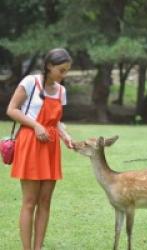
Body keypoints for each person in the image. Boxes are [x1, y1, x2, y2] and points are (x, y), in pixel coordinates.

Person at [6, 48, 74, 250]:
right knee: (29, 201)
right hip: (30, 143)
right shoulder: (30, 82)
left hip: (51, 147)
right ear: (49, 66)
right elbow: (11, 109)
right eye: (61, 70)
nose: (64, 75)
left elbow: (57, 122)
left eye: (66, 71)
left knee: (45, 202)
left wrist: (65, 136)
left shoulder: (61, 91)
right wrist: (35, 125)